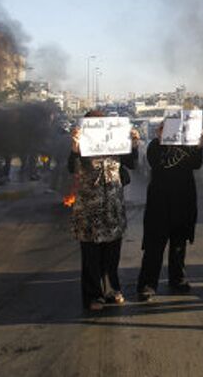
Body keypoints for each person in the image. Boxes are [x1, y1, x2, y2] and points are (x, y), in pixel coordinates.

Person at [68, 110, 139, 311]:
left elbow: (131, 163)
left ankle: (112, 290)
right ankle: (93, 295)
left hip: (112, 208)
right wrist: (74, 147)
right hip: (90, 210)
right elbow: (71, 167)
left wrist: (134, 144)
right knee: (91, 255)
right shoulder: (81, 143)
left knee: (112, 253)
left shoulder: (115, 142)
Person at [137, 121, 203, 302]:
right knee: (155, 246)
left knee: (178, 244)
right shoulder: (154, 146)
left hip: (182, 201)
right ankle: (148, 284)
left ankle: (177, 279)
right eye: (163, 129)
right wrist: (162, 140)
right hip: (159, 204)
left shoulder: (187, 145)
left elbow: (196, 164)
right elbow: (156, 163)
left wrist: (199, 145)